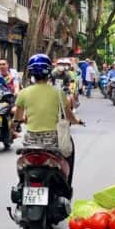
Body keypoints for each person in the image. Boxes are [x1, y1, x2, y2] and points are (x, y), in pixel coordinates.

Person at [14, 54, 82, 185]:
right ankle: (67, 184)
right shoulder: (58, 93)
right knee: (69, 152)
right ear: (49, 71)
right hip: (53, 141)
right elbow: (69, 116)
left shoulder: (24, 93)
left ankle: (22, 184)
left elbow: (17, 117)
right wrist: (77, 121)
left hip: (30, 142)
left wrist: (18, 122)